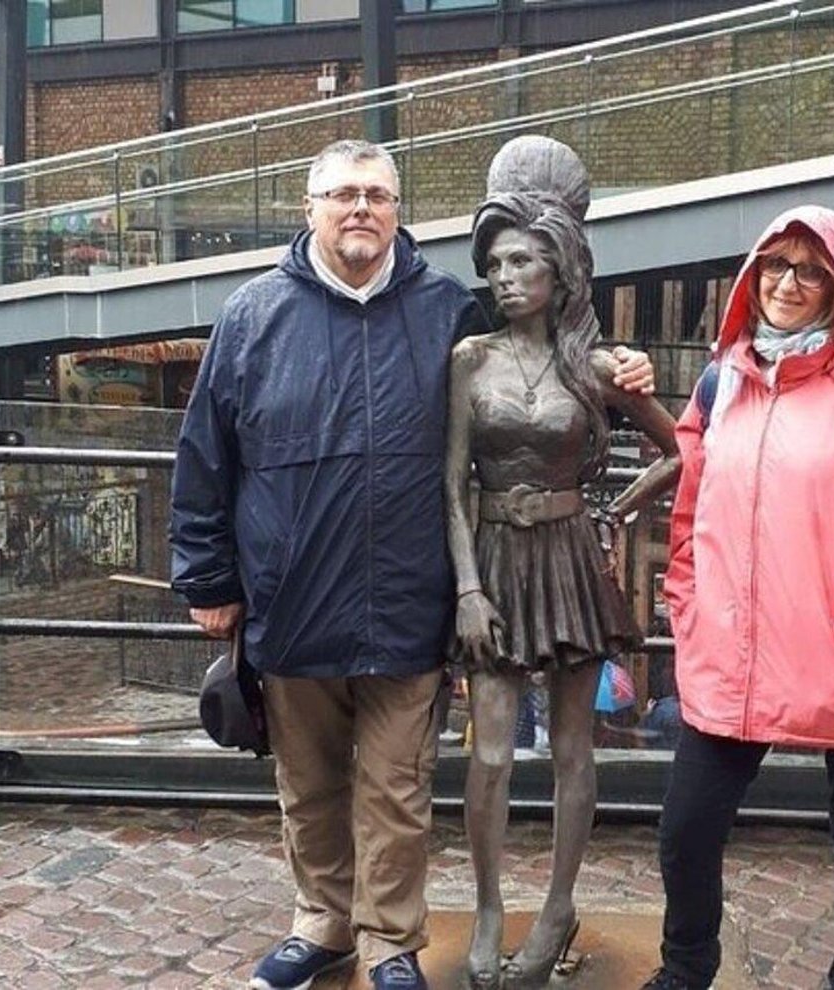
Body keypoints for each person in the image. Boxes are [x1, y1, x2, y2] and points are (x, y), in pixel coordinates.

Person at [169, 138, 655, 990]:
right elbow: (206, 454)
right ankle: (322, 923)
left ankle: (390, 940)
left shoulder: (445, 312)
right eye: (343, 194)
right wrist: (209, 579)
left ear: (399, 212)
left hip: (405, 595)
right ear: (310, 208)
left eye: (377, 195)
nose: (360, 208)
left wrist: (621, 365)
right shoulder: (253, 314)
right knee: (309, 782)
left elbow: (536, 364)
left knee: (398, 786)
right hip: (293, 596)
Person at [641, 205, 834, 990]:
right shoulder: (721, 385)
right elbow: (691, 515)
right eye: (775, 265)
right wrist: (692, 608)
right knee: (686, 829)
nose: (788, 283)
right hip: (735, 657)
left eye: (810, 270)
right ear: (752, 277)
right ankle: (686, 968)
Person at [445, 136, 680, 990]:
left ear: (559, 270)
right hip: (496, 562)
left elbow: (682, 450)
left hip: (572, 561)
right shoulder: (469, 360)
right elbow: (451, 484)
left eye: (522, 262)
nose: (504, 277)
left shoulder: (597, 366)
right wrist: (467, 588)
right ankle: (487, 907)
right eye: (495, 264)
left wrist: (620, 508)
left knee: (574, 747)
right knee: (492, 752)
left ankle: (557, 906)